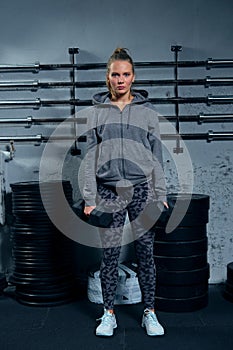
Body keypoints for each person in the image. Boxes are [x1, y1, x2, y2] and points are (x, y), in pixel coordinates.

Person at [83, 47, 168, 337]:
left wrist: (161, 193)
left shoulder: (147, 113)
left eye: (126, 74)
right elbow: (89, 157)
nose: (121, 80)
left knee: (146, 253)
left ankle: (150, 312)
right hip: (108, 190)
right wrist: (89, 197)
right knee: (110, 255)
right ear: (107, 78)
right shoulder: (96, 114)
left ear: (133, 77)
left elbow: (156, 155)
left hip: (141, 188)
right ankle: (108, 314)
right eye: (115, 74)